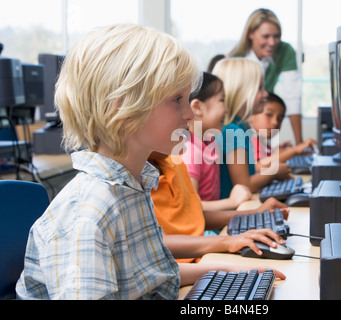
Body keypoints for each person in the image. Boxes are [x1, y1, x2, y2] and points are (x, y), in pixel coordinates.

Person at [15, 24, 285, 300]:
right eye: (177, 99)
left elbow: (152, 276)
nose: (189, 114)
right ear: (123, 109)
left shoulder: (132, 184)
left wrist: (231, 271)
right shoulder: (88, 216)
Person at [149, 152, 289, 263]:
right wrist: (228, 242)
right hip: (179, 267)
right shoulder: (132, 178)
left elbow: (195, 216)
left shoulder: (173, 162)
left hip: (201, 256)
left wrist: (255, 213)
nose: (189, 116)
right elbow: (158, 243)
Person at [212, 57, 293, 200]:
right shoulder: (233, 131)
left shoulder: (238, 127)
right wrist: (274, 173)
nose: (266, 94)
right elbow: (245, 185)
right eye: (259, 88)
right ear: (240, 92)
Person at [229, 8, 304, 145]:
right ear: (250, 34)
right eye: (266, 36)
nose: (272, 42)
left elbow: (293, 97)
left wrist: (299, 143)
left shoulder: (284, 51)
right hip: (239, 123)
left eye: (276, 36)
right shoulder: (235, 60)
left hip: (258, 126)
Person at [181, 71, 252, 211]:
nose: (226, 109)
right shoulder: (190, 150)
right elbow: (190, 207)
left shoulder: (208, 143)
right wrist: (231, 202)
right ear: (197, 107)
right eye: (222, 100)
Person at [250, 92, 317, 172]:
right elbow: (258, 166)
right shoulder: (252, 140)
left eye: (279, 119)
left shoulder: (261, 141)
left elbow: (266, 157)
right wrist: (293, 151)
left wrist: (278, 150)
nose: (275, 122)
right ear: (250, 115)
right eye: (269, 115)